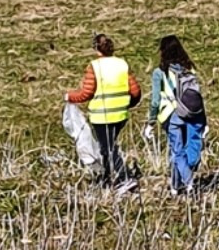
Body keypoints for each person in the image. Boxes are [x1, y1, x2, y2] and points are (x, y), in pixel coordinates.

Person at [65, 33, 141, 187]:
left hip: (101, 116)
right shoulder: (122, 64)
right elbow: (136, 91)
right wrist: (127, 104)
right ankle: (106, 178)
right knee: (107, 147)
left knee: (108, 148)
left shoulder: (94, 67)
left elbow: (86, 93)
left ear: (96, 49)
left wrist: (70, 97)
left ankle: (126, 178)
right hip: (120, 115)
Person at [143, 34, 206, 195]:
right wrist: (204, 120)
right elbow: (197, 96)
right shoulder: (189, 69)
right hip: (190, 113)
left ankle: (188, 182)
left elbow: (155, 101)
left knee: (177, 151)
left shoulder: (159, 72)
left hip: (170, 115)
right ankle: (175, 186)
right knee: (182, 151)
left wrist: (150, 122)